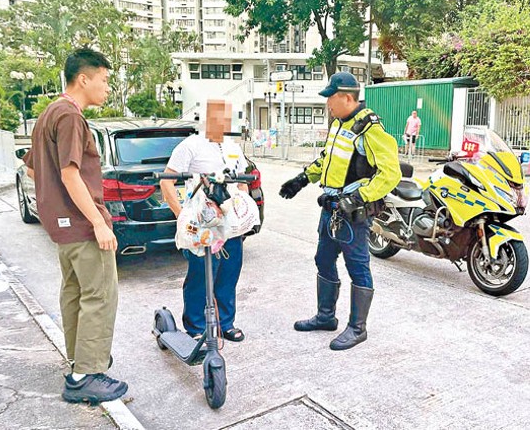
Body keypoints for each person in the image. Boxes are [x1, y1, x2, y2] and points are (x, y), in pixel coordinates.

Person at [22, 48, 128, 403]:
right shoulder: (70, 116)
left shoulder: (49, 113)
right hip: (83, 227)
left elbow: (33, 169)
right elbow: (70, 174)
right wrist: (98, 221)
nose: (107, 88)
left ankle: (78, 361)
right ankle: (86, 376)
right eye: (104, 79)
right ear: (84, 78)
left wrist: (55, 206)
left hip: (62, 229)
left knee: (75, 295)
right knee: (99, 296)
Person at [279, 72, 402, 351]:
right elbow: (327, 159)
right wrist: (302, 179)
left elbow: (390, 173)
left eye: (330, 98)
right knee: (323, 259)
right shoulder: (339, 124)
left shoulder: (370, 130)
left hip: (353, 214)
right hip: (331, 209)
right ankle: (325, 317)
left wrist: (360, 196)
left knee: (357, 267)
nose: (327, 104)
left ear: (347, 97)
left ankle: (358, 328)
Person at [160, 100, 249, 342]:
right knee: (201, 274)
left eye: (225, 117)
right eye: (215, 117)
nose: (221, 122)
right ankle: (196, 326)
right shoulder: (190, 146)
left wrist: (243, 213)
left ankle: (225, 323)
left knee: (229, 272)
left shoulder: (232, 147)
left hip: (229, 222)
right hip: (202, 222)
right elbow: (166, 182)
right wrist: (182, 217)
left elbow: (242, 181)